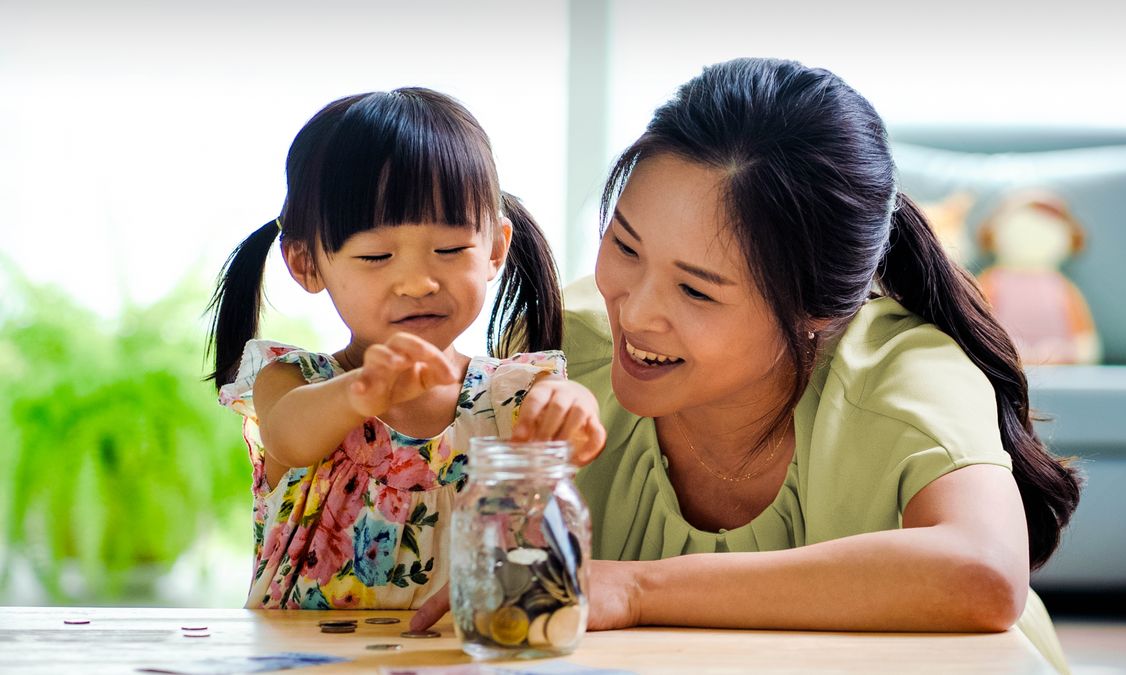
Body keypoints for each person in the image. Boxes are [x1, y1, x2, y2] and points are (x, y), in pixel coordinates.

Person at [408, 59, 1081, 673]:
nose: (636, 312)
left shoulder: (902, 369)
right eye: (625, 245)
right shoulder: (558, 350)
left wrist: (637, 587)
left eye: (696, 290)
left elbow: (986, 573)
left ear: (814, 308)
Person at [207, 88, 605, 610]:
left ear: (494, 249)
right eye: (376, 256)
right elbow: (288, 437)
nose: (418, 282)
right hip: (308, 664)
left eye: (449, 249)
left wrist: (575, 408)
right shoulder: (293, 380)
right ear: (306, 264)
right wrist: (361, 391)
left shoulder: (516, 392)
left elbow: (567, 419)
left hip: (469, 658)